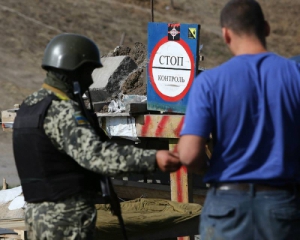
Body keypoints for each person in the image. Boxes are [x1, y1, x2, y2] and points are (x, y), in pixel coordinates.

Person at [12, 33, 181, 240]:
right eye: (87, 71)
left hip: (39, 216)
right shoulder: (62, 110)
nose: (90, 79)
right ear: (73, 72)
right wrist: (152, 159)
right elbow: (97, 156)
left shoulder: (30, 106)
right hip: (67, 219)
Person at [178, 0, 300, 239]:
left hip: (226, 208)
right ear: (266, 28)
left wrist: (208, 168)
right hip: (282, 207)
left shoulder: (209, 83)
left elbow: (189, 155)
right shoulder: (295, 75)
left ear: (226, 34)